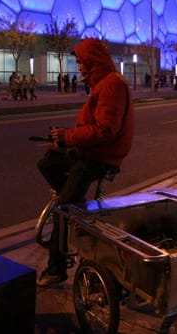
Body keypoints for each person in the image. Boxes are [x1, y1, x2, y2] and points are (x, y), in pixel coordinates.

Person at [36, 38, 135, 287]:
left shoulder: (111, 85)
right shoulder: (103, 84)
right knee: (48, 163)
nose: (79, 66)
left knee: (63, 208)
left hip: (99, 157)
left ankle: (56, 268)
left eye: (82, 61)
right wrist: (63, 139)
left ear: (94, 60)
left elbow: (104, 130)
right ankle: (75, 202)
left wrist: (69, 137)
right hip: (91, 152)